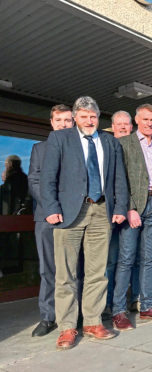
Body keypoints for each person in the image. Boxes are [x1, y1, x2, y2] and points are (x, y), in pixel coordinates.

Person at [41, 96, 128, 350]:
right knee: (65, 273)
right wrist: (51, 208)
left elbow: (118, 178)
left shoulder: (109, 141)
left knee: (97, 272)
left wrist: (120, 206)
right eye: (84, 116)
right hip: (68, 213)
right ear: (75, 117)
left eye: (93, 116)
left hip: (101, 211)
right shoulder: (60, 138)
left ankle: (92, 321)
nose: (89, 121)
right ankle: (67, 327)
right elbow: (48, 177)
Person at [111, 104, 152, 331]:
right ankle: (118, 310)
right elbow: (119, 179)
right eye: (146, 119)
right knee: (126, 258)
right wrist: (129, 208)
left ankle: (147, 306)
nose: (150, 123)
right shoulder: (124, 144)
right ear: (137, 120)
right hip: (134, 207)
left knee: (150, 258)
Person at [28, 104, 73, 337]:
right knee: (48, 270)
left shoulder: (78, 150)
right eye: (59, 120)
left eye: (68, 120)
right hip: (46, 217)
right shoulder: (40, 149)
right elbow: (35, 180)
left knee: (74, 269)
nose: (64, 124)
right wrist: (50, 208)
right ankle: (48, 317)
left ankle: (74, 315)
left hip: (73, 218)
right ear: (52, 123)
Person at [103, 110, 139, 320]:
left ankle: (121, 304)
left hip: (130, 212)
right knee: (109, 262)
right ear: (113, 126)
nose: (124, 127)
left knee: (127, 260)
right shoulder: (106, 146)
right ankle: (106, 304)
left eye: (127, 124)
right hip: (109, 213)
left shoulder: (135, 150)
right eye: (120, 124)